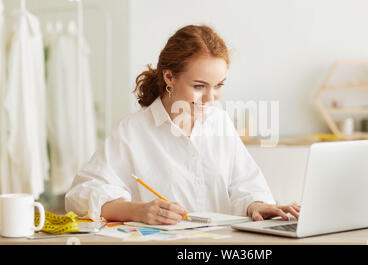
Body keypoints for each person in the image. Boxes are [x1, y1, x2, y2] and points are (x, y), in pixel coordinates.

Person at [65, 24, 300, 225]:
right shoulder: (133, 130)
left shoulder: (220, 122)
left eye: (219, 85)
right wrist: (140, 211)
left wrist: (256, 205)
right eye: (199, 86)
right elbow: (80, 195)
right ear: (169, 77)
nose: (210, 98)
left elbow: (246, 184)